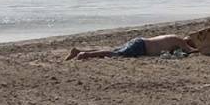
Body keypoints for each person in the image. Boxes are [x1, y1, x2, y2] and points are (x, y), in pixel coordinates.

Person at [66, 33, 198, 60]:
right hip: (141, 46)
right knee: (116, 54)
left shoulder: (174, 38)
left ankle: (78, 51)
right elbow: (191, 51)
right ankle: (85, 55)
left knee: (114, 51)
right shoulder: (180, 41)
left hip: (140, 42)